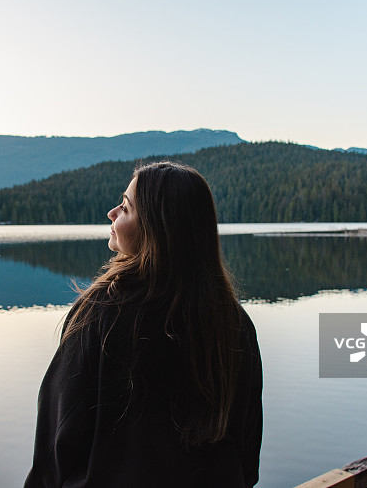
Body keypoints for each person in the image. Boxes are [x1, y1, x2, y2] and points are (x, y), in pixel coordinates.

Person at [24, 161, 263, 488]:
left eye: (125, 207)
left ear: (156, 227)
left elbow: (58, 442)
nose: (112, 213)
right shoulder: (232, 322)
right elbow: (246, 448)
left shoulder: (103, 312)